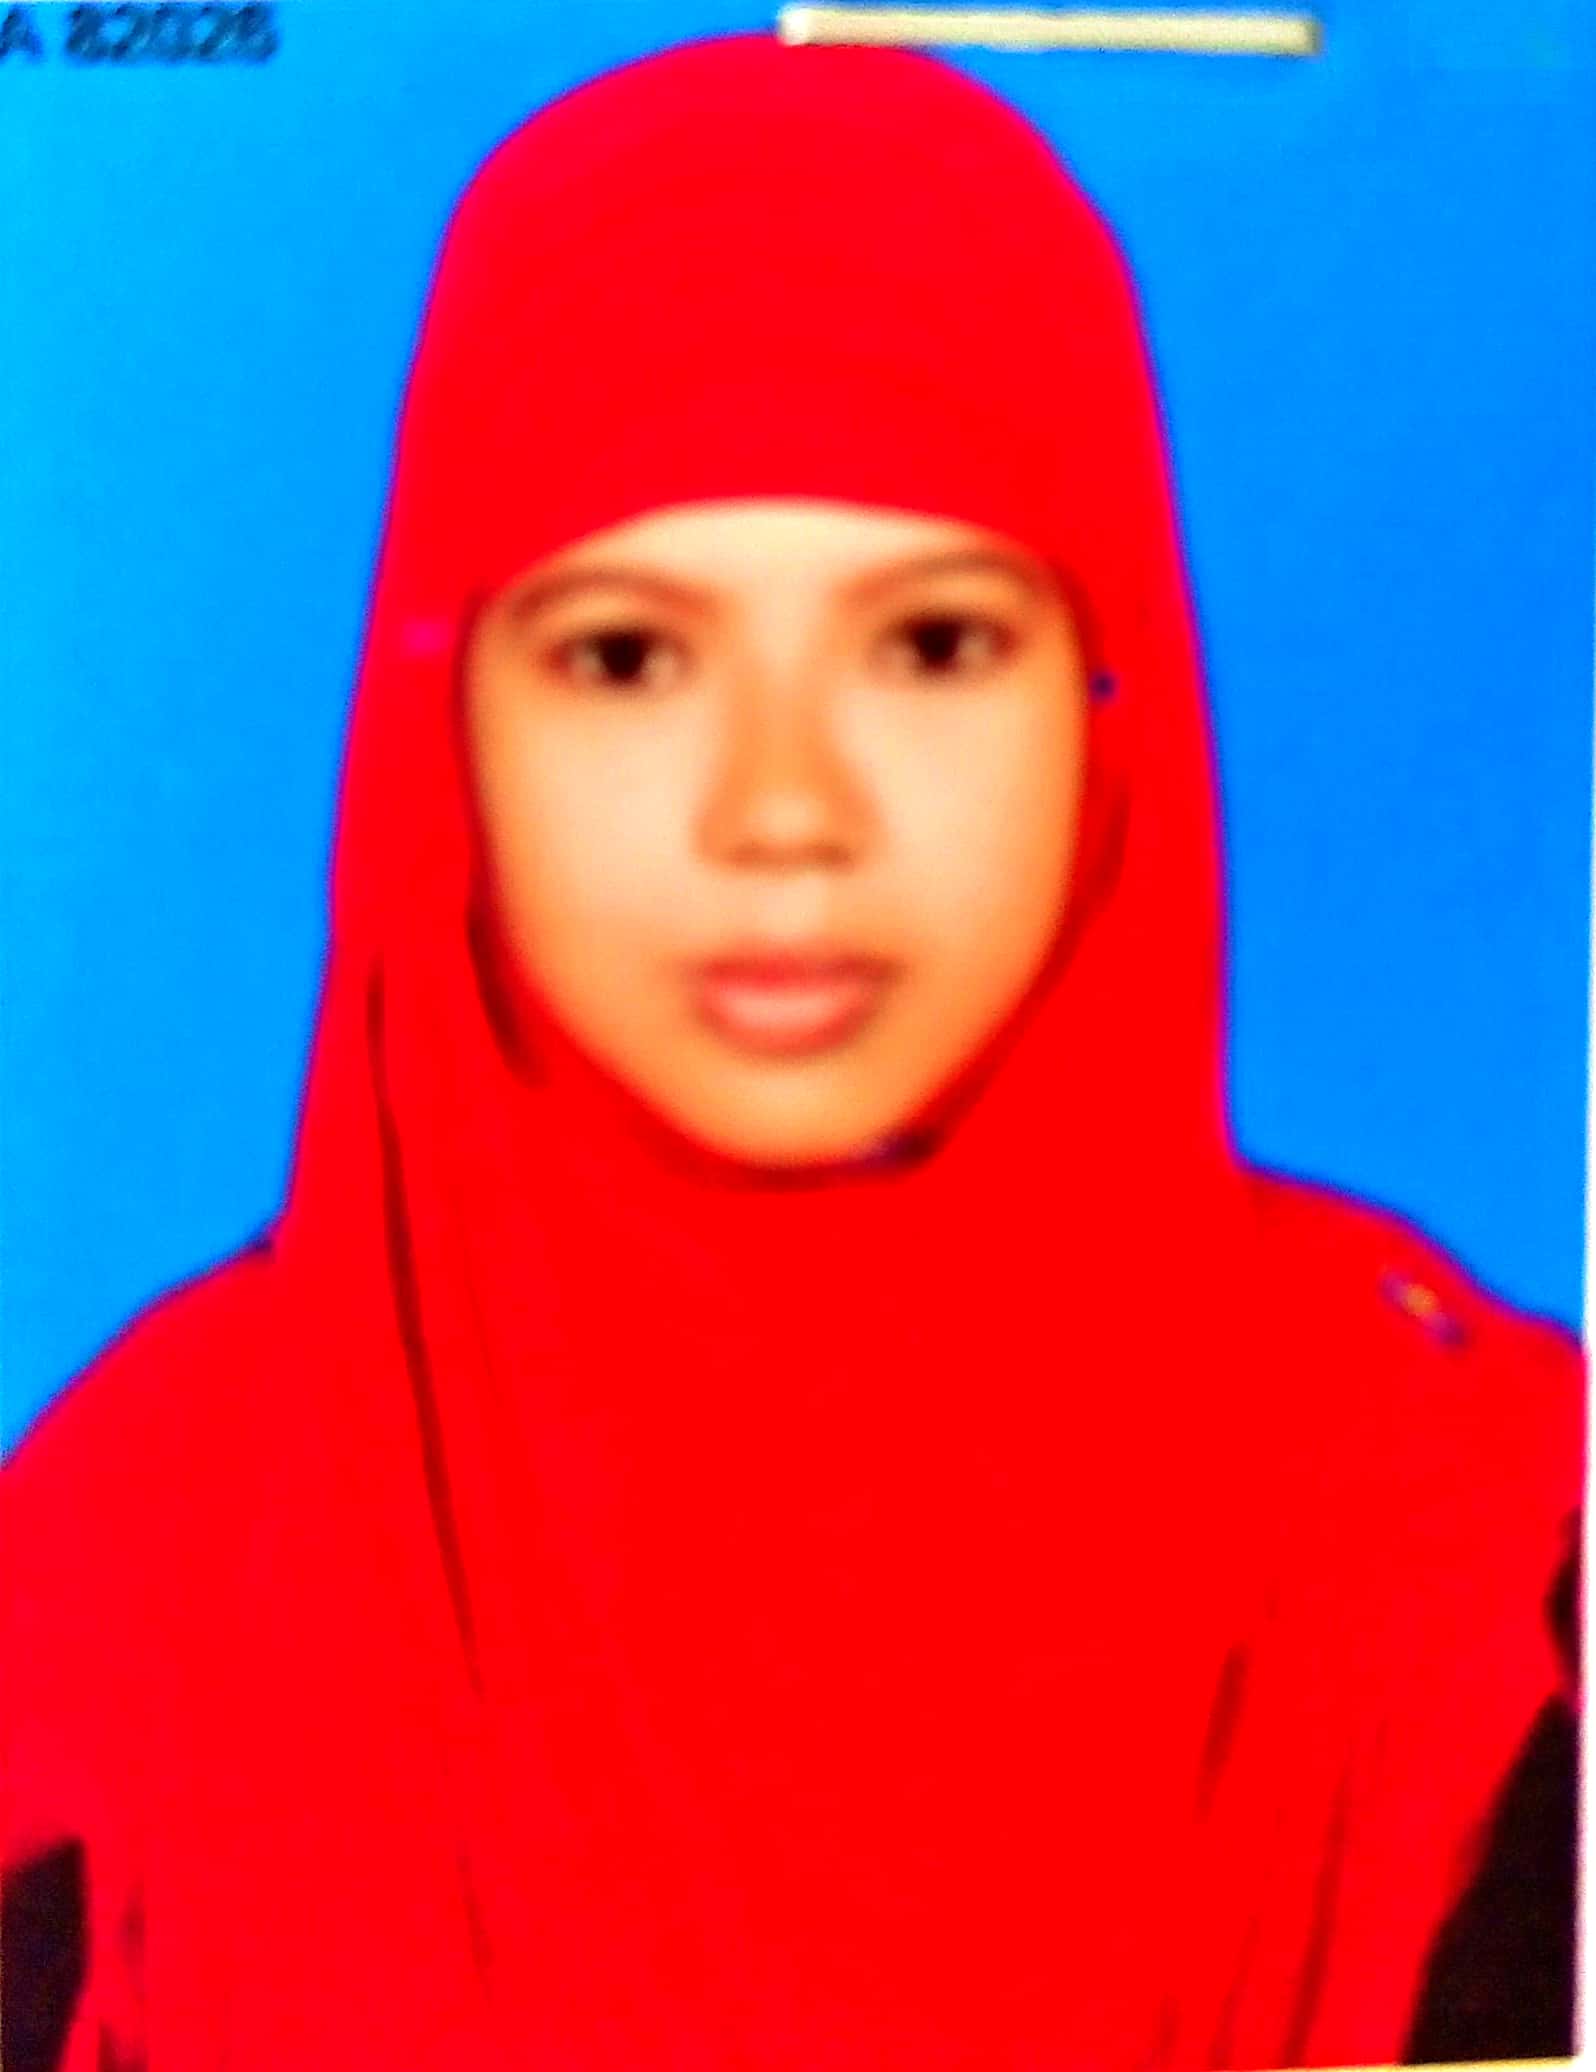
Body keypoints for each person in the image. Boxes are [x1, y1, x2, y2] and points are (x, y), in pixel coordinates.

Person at [1, 33, 1581, 2072]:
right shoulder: (131, 1581)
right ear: (443, 729)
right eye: (627, 656)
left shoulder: (1469, 1558)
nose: (783, 811)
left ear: (1108, 699)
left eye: (932, 644)